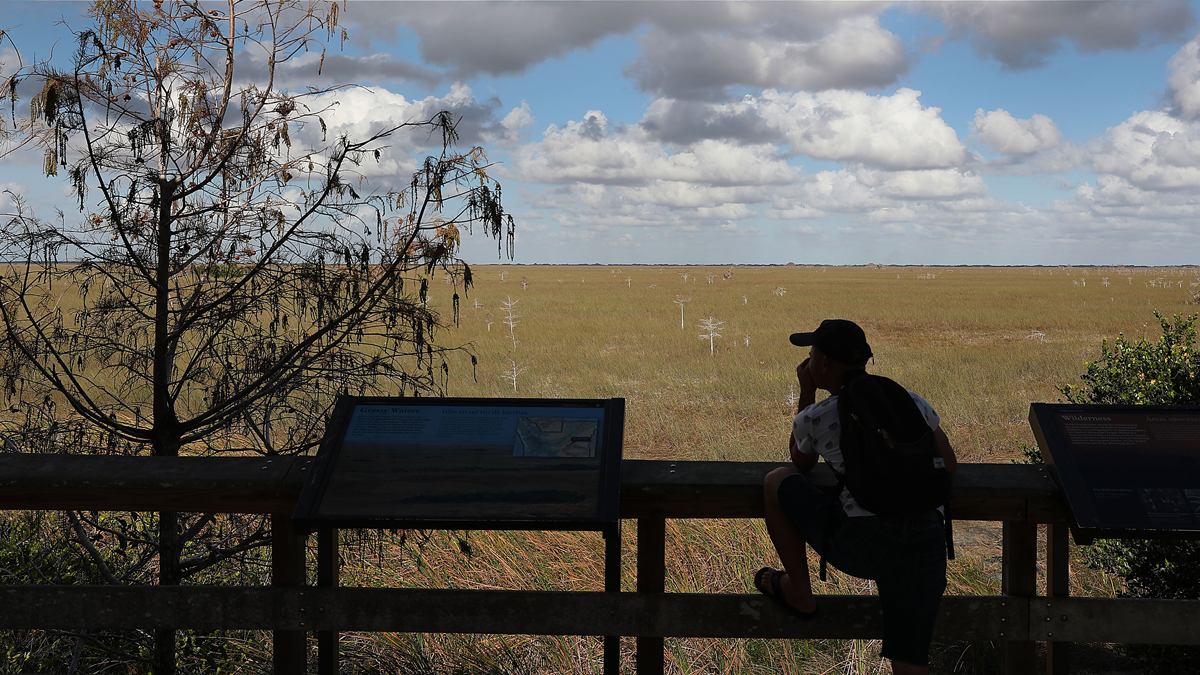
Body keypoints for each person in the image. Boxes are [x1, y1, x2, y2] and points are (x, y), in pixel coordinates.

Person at [756, 319, 958, 675]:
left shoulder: (817, 415)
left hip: (865, 543)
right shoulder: (909, 401)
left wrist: (807, 392)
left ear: (822, 364)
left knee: (776, 481)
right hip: (927, 538)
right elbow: (949, 463)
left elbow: (800, 461)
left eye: (812, 353)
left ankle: (799, 593)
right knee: (911, 657)